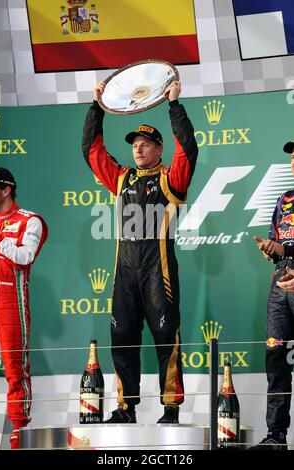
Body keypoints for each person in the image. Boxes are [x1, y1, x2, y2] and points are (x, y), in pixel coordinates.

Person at [82, 80, 198, 423]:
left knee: (166, 337)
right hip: (124, 273)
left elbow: (188, 150)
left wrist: (174, 106)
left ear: (159, 150)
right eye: (135, 144)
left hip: (157, 272)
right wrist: (96, 107)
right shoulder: (121, 179)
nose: (138, 149)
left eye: (145, 144)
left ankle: (171, 408)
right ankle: (125, 407)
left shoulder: (169, 180)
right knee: (121, 338)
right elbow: (92, 151)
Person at [0, 168, 48, 448]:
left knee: (15, 367)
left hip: (9, 302)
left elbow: (26, 257)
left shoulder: (30, 220)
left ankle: (18, 427)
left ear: (5, 190)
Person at [252, 141, 294, 450]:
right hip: (281, 285)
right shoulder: (284, 199)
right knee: (276, 359)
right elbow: (276, 242)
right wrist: (270, 250)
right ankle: (276, 436)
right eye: (293, 158)